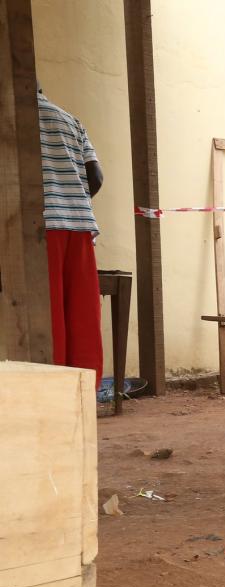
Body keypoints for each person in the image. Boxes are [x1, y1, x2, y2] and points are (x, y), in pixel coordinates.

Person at [39, 85, 105, 384]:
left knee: (47, 313)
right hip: (79, 224)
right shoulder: (70, 120)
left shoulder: (11, 116)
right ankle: (83, 389)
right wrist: (71, 196)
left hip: (38, 227)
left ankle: (50, 388)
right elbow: (96, 177)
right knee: (82, 315)